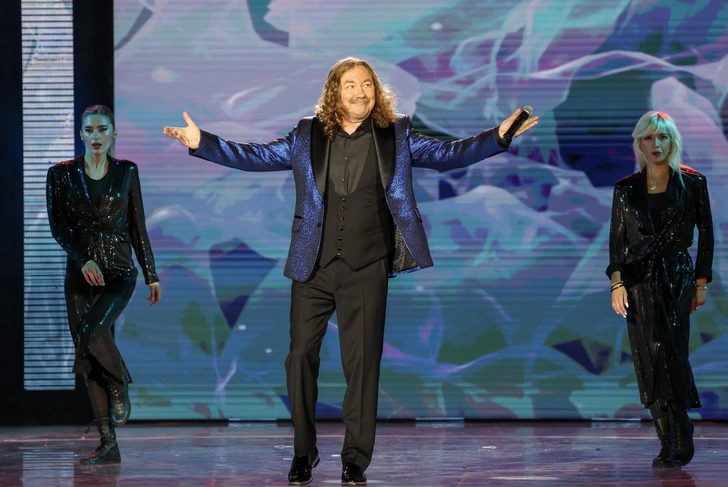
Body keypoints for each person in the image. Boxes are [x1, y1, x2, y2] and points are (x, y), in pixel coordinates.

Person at [164, 57, 537, 485]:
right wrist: (204, 142)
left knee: (362, 365)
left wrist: (498, 136)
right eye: (351, 85)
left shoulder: (396, 135)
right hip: (313, 266)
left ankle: (355, 459)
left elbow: (447, 154)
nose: (361, 92)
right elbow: (258, 156)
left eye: (367, 85)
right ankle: (303, 452)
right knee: (299, 358)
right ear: (335, 93)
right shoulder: (307, 135)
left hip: (366, 264)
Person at [46, 104, 161, 465]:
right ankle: (108, 442)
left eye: (102, 129)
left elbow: (137, 226)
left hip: (119, 272)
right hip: (80, 275)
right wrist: (84, 258)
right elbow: (58, 228)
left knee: (94, 332)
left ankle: (118, 380)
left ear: (113, 134)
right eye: (89, 130)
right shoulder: (60, 174)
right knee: (87, 354)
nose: (96, 136)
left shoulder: (127, 171)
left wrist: (151, 273)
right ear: (81, 134)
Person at [607, 111, 713, 469]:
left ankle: (681, 430)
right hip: (637, 281)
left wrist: (700, 283)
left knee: (669, 350)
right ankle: (665, 438)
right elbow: (617, 244)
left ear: (673, 141)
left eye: (663, 137)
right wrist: (617, 283)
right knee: (646, 356)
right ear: (640, 143)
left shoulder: (692, 182)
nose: (656, 144)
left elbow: (707, 235)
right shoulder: (625, 189)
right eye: (649, 138)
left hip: (677, 276)